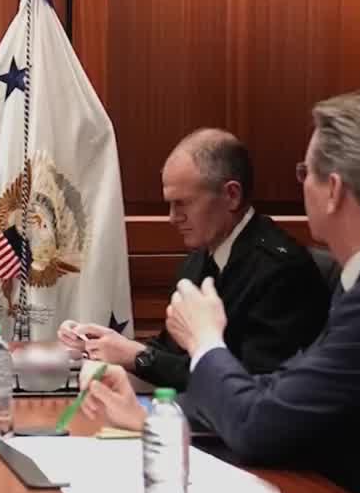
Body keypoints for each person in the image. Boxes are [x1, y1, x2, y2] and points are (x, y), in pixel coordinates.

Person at [81, 90, 360, 493]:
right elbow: (283, 389)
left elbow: (260, 423)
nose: (302, 184)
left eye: (306, 173)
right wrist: (155, 418)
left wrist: (206, 341)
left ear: (333, 190)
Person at [59, 129, 327, 389]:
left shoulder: (280, 271)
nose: (172, 217)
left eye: (182, 203)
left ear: (231, 195)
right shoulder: (199, 260)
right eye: (169, 204)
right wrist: (102, 344)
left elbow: (250, 385)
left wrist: (138, 356)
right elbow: (172, 354)